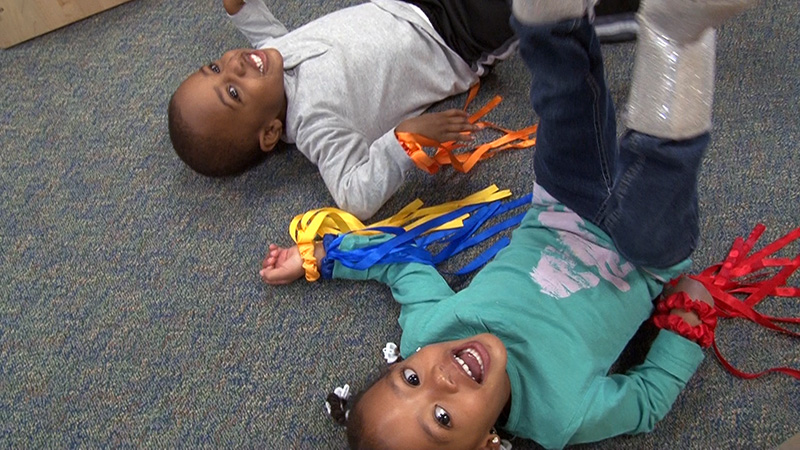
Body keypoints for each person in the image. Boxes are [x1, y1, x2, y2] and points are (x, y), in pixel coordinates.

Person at [260, 0, 754, 447]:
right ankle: (678, 38)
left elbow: (403, 262)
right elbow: (645, 403)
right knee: (661, 165)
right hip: (643, 258)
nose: (442, 379)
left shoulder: (428, 332)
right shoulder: (562, 418)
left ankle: (549, 19)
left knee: (565, 105)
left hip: (561, 208)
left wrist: (321, 257)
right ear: (487, 446)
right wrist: (686, 327)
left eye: (410, 379)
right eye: (442, 418)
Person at [168, 0, 639, 220]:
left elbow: (261, 37)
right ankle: (647, 11)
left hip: (413, 3)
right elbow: (353, 194)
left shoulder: (267, 60)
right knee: (541, 9)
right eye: (233, 92)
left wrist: (241, 11)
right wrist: (403, 139)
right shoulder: (313, 124)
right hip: (453, 41)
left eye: (214, 66)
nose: (233, 65)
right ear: (270, 134)